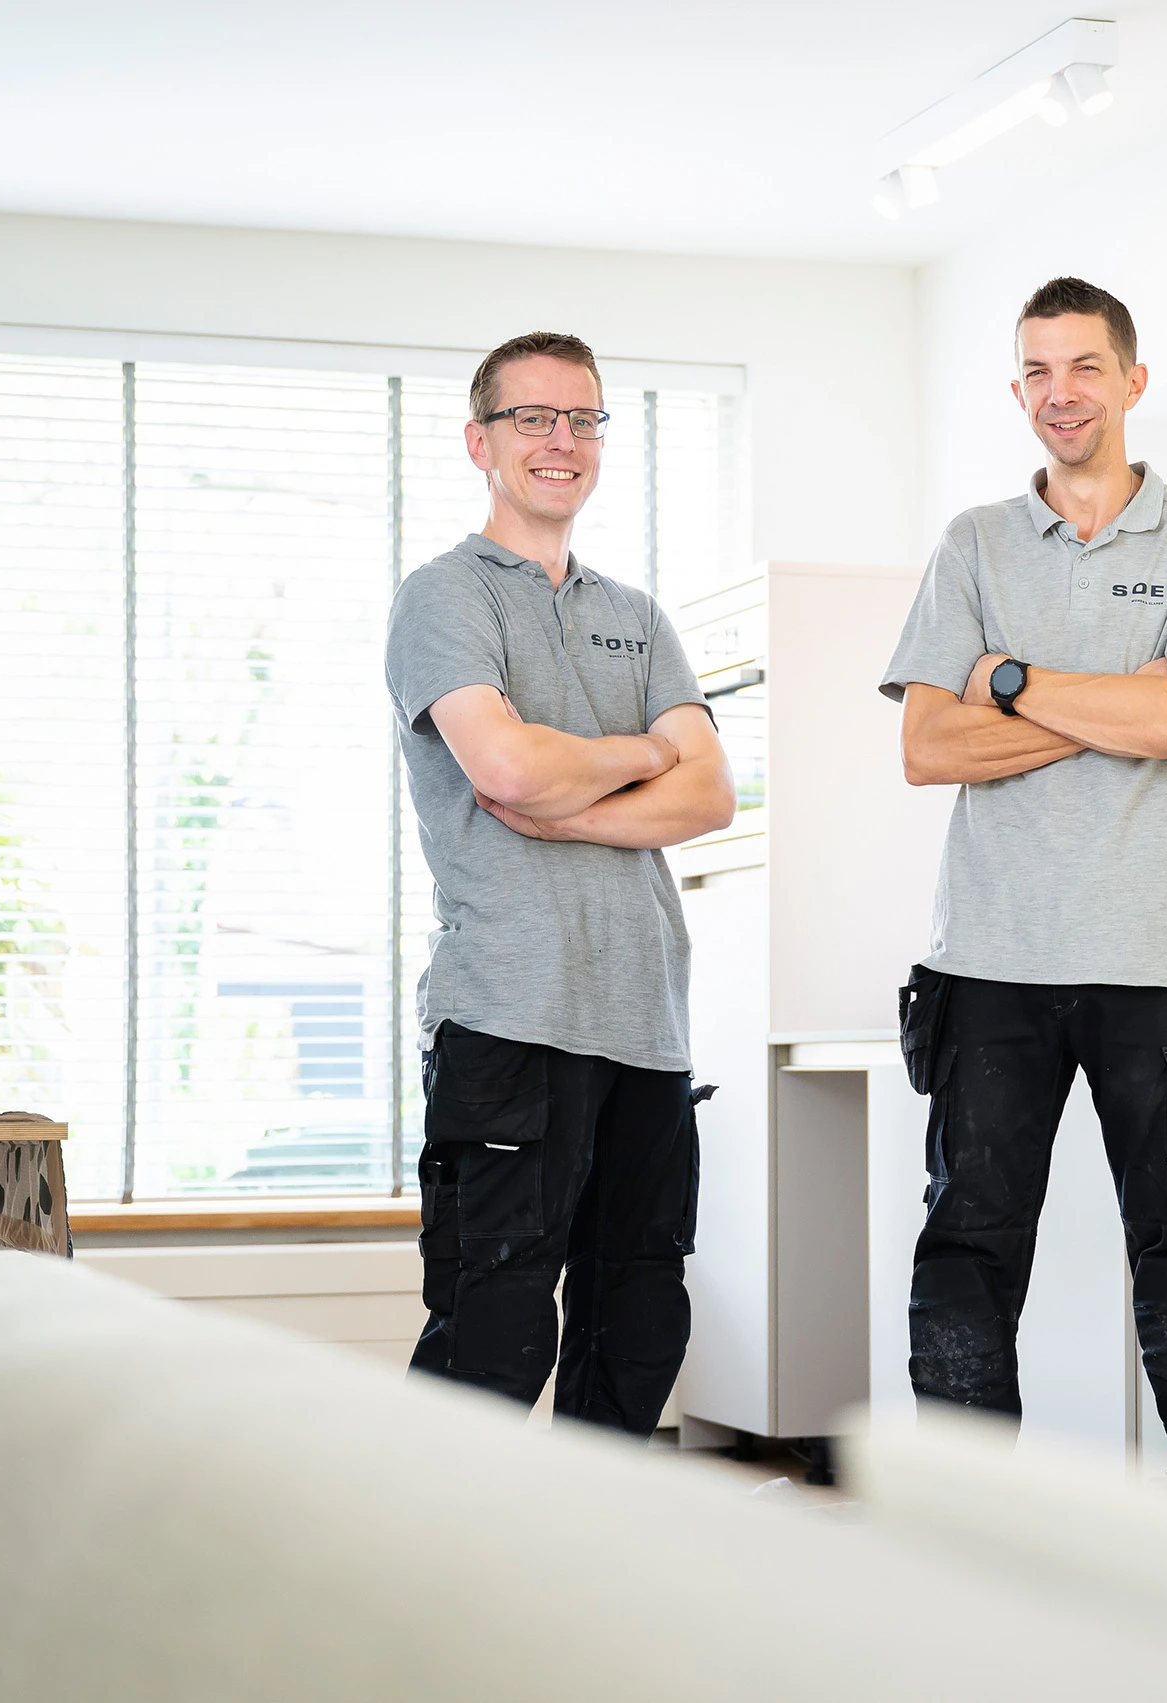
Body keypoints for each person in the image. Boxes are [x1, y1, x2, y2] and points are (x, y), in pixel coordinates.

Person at [880, 277, 1167, 1472]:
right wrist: (1120, 706)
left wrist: (1009, 682)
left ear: (1132, 380)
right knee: (965, 1257)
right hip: (988, 963)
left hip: (1162, 959)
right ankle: (967, 1534)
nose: (1061, 393)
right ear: (1018, 390)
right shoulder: (974, 543)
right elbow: (926, 746)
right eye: (1038, 371)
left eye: (1085, 366)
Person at [384, 331, 735, 1432]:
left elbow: (711, 794)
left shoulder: (638, 616)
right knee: (492, 1337)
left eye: (582, 419)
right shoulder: (443, 597)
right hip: (510, 1016)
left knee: (636, 1331)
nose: (561, 441)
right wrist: (646, 749)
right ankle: (433, 1543)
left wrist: (572, 802)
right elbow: (505, 767)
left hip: (646, 1024)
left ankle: (593, 1538)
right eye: (532, 417)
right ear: (479, 441)